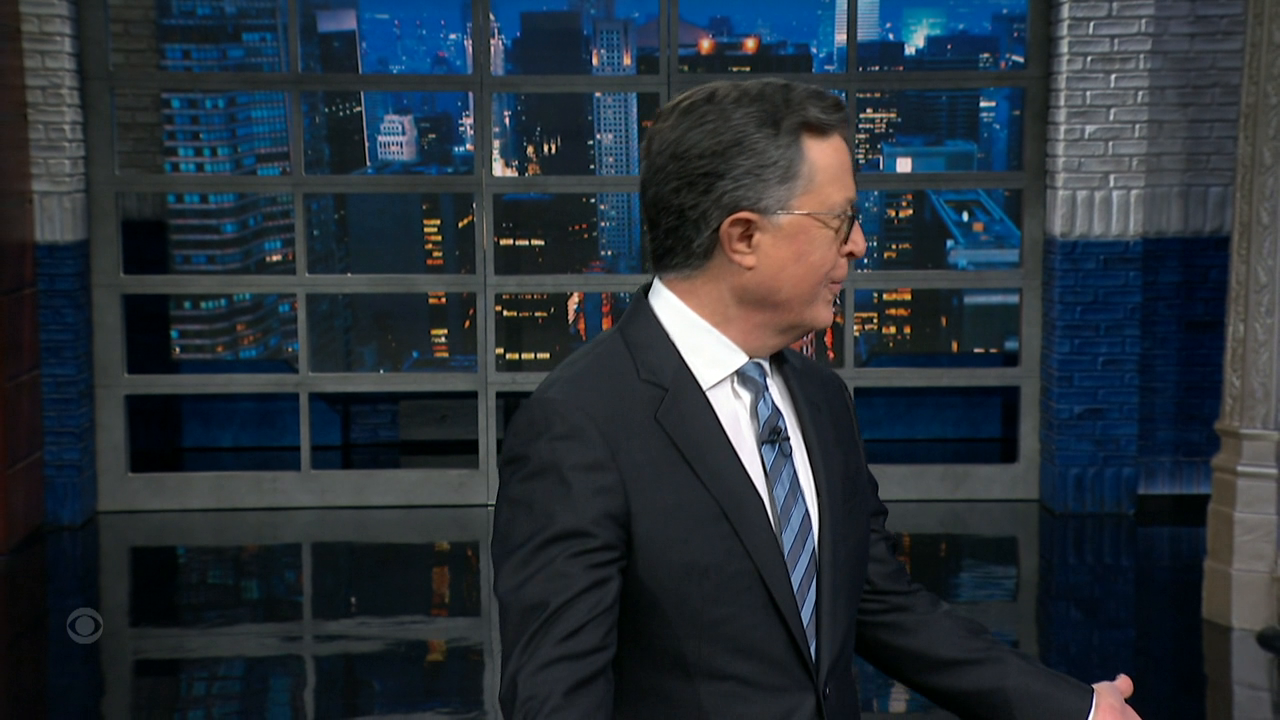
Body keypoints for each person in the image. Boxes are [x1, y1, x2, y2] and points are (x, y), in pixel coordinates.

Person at [492, 78, 1142, 720]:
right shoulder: (577, 425)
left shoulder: (820, 396)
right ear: (743, 237)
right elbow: (556, 703)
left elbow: (880, 603)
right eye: (839, 220)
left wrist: (1078, 710)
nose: (858, 243)